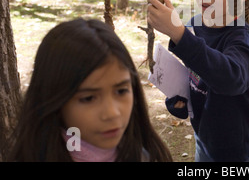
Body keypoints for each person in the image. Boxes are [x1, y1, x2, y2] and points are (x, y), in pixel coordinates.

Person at [147, 0, 249, 162]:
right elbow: (197, 73)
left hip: (240, 149)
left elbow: (230, 79)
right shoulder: (195, 25)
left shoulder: (242, 36)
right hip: (205, 138)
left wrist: (178, 33)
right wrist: (180, 97)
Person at [7, 18, 173, 162]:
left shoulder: (143, 156)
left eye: (121, 91)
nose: (112, 113)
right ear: (55, 99)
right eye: (88, 98)